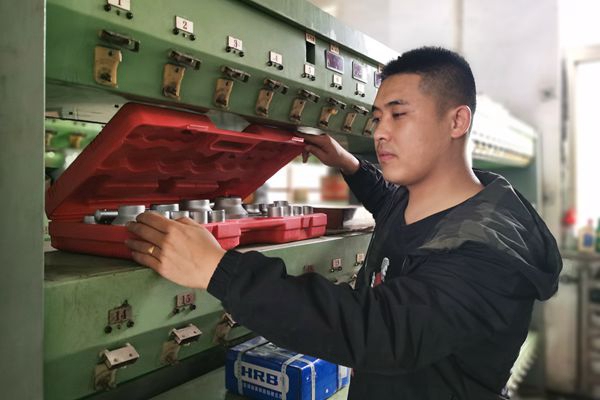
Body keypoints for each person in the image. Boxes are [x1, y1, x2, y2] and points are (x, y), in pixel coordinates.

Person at [126, 47, 562, 400]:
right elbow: (388, 201)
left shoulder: (488, 255)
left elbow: (379, 331)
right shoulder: (423, 201)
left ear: (457, 121)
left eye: (398, 114)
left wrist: (219, 270)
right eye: (377, 117)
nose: (380, 132)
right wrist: (347, 163)